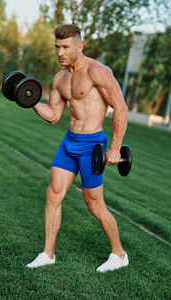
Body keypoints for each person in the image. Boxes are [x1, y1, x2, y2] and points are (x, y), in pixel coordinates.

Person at [26, 24, 129, 272]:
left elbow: (120, 107)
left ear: (79, 47)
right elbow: (53, 116)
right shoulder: (60, 78)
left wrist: (115, 148)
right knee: (53, 194)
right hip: (69, 143)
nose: (60, 52)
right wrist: (29, 100)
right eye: (57, 47)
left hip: (92, 145)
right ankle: (48, 254)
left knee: (94, 203)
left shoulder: (98, 71)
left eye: (65, 47)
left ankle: (119, 254)